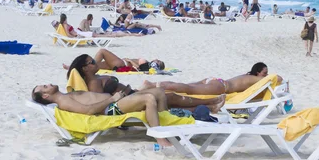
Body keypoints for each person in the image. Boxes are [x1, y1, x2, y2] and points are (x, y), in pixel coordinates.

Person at [66, 54, 226, 113]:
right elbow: (102, 103)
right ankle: (210, 102)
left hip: (133, 94)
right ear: (85, 68)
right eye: (92, 62)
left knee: (171, 100)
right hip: (128, 101)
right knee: (172, 98)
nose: (95, 62)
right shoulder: (93, 83)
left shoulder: (96, 76)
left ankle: (210, 106)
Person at [31, 83, 173, 147]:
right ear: (45, 95)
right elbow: (88, 111)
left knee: (159, 91)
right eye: (45, 87)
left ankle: (168, 124)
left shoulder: (65, 96)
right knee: (148, 98)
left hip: (114, 102)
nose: (48, 84)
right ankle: (159, 137)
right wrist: (112, 99)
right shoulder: (63, 101)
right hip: (110, 109)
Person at [142, 62, 282, 95]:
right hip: (221, 86)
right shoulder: (256, 79)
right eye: (264, 72)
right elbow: (277, 78)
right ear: (258, 72)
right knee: (188, 89)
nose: (266, 75)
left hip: (217, 81)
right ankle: (153, 85)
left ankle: (156, 85)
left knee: (186, 86)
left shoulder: (248, 76)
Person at [62, 48, 165, 72]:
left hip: (122, 63)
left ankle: (86, 64)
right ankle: (74, 67)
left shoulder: (147, 63)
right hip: (120, 64)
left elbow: (138, 68)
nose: (156, 59)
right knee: (97, 66)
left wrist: (130, 60)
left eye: (158, 61)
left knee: (102, 51)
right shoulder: (148, 64)